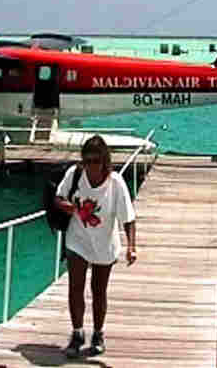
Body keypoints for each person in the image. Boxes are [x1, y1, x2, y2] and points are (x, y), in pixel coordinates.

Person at [53, 135, 137, 358]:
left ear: (105, 161)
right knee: (75, 287)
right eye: (87, 160)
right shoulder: (75, 175)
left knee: (99, 291)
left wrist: (132, 246)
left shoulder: (116, 183)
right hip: (77, 240)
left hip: (105, 244)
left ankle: (98, 333)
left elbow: (128, 218)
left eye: (96, 161)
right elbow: (58, 198)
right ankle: (77, 333)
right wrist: (69, 208)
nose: (91, 166)